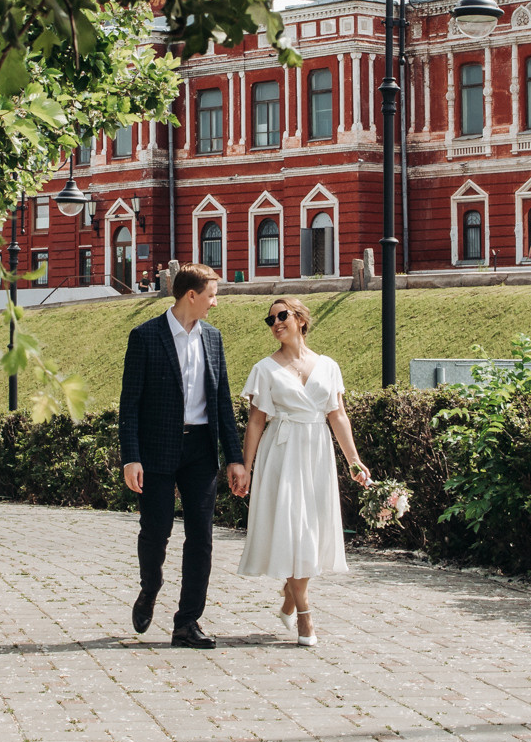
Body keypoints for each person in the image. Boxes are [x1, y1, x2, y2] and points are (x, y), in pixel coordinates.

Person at [118, 264, 248, 647]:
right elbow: (130, 404)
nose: (215, 303)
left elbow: (222, 402)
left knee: (201, 537)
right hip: (157, 449)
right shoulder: (145, 336)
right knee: (156, 531)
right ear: (191, 295)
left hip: (200, 449)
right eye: (211, 295)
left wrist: (235, 458)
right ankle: (150, 587)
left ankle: (187, 622)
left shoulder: (213, 339)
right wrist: (131, 457)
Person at [234, 297, 370, 647]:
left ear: (301, 319)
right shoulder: (264, 369)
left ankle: (290, 595)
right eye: (270, 320)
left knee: (311, 529)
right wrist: (246, 468)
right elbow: (256, 422)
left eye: (282, 316)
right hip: (282, 452)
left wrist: (354, 461)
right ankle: (305, 615)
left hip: (317, 452)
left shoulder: (328, 366)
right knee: (294, 529)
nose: (276, 323)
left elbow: (337, 415)